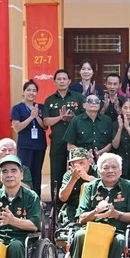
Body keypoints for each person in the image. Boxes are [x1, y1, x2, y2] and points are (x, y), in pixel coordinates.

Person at [43, 69, 85, 201]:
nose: (62, 81)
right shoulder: (49, 100)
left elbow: (85, 117)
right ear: (54, 82)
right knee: (56, 174)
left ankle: (75, 203)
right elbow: (45, 122)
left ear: (69, 81)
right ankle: (56, 206)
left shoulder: (78, 97)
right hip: (58, 142)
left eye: (64, 79)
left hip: (75, 142)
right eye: (59, 79)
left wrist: (73, 118)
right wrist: (60, 117)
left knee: (78, 172)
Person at [11, 80, 47, 196]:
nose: (31, 93)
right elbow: (17, 128)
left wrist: (36, 117)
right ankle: (25, 199)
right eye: (29, 90)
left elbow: (45, 126)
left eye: (34, 91)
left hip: (39, 145)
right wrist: (31, 117)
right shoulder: (17, 108)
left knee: (37, 173)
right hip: (25, 146)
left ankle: (37, 199)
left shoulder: (40, 107)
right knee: (25, 173)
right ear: (23, 92)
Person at [63, 93, 114, 157]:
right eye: (90, 101)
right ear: (84, 105)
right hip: (81, 158)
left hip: (102, 158)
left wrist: (100, 152)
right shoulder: (76, 121)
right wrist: (85, 154)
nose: (94, 103)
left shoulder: (107, 120)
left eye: (97, 101)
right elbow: (69, 146)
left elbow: (110, 143)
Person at [58, 148, 98, 227]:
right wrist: (73, 179)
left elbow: (106, 185)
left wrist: (88, 178)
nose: (79, 167)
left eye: (81, 163)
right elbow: (62, 198)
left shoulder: (98, 170)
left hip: (94, 208)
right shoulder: (68, 175)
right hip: (74, 209)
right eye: (74, 164)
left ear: (89, 161)